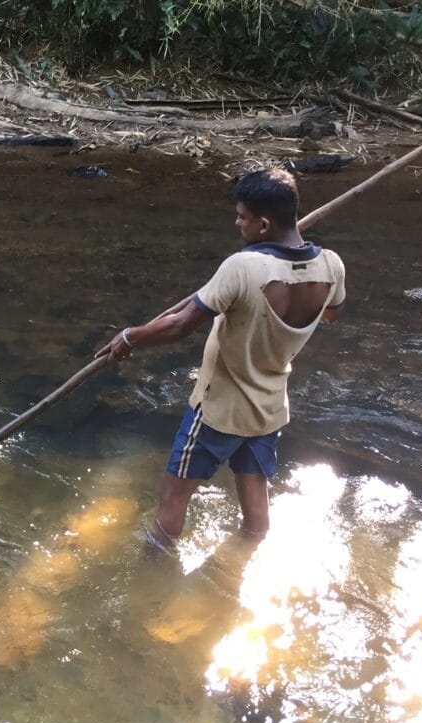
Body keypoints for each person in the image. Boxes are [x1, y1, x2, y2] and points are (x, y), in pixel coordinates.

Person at [97, 168, 346, 547]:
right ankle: (246, 560)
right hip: (269, 408)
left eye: (242, 216)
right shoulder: (330, 265)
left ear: (264, 224)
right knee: (255, 498)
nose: (237, 222)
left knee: (173, 494)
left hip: (219, 408)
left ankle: (152, 572)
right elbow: (329, 314)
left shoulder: (243, 267)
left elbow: (180, 325)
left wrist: (130, 336)